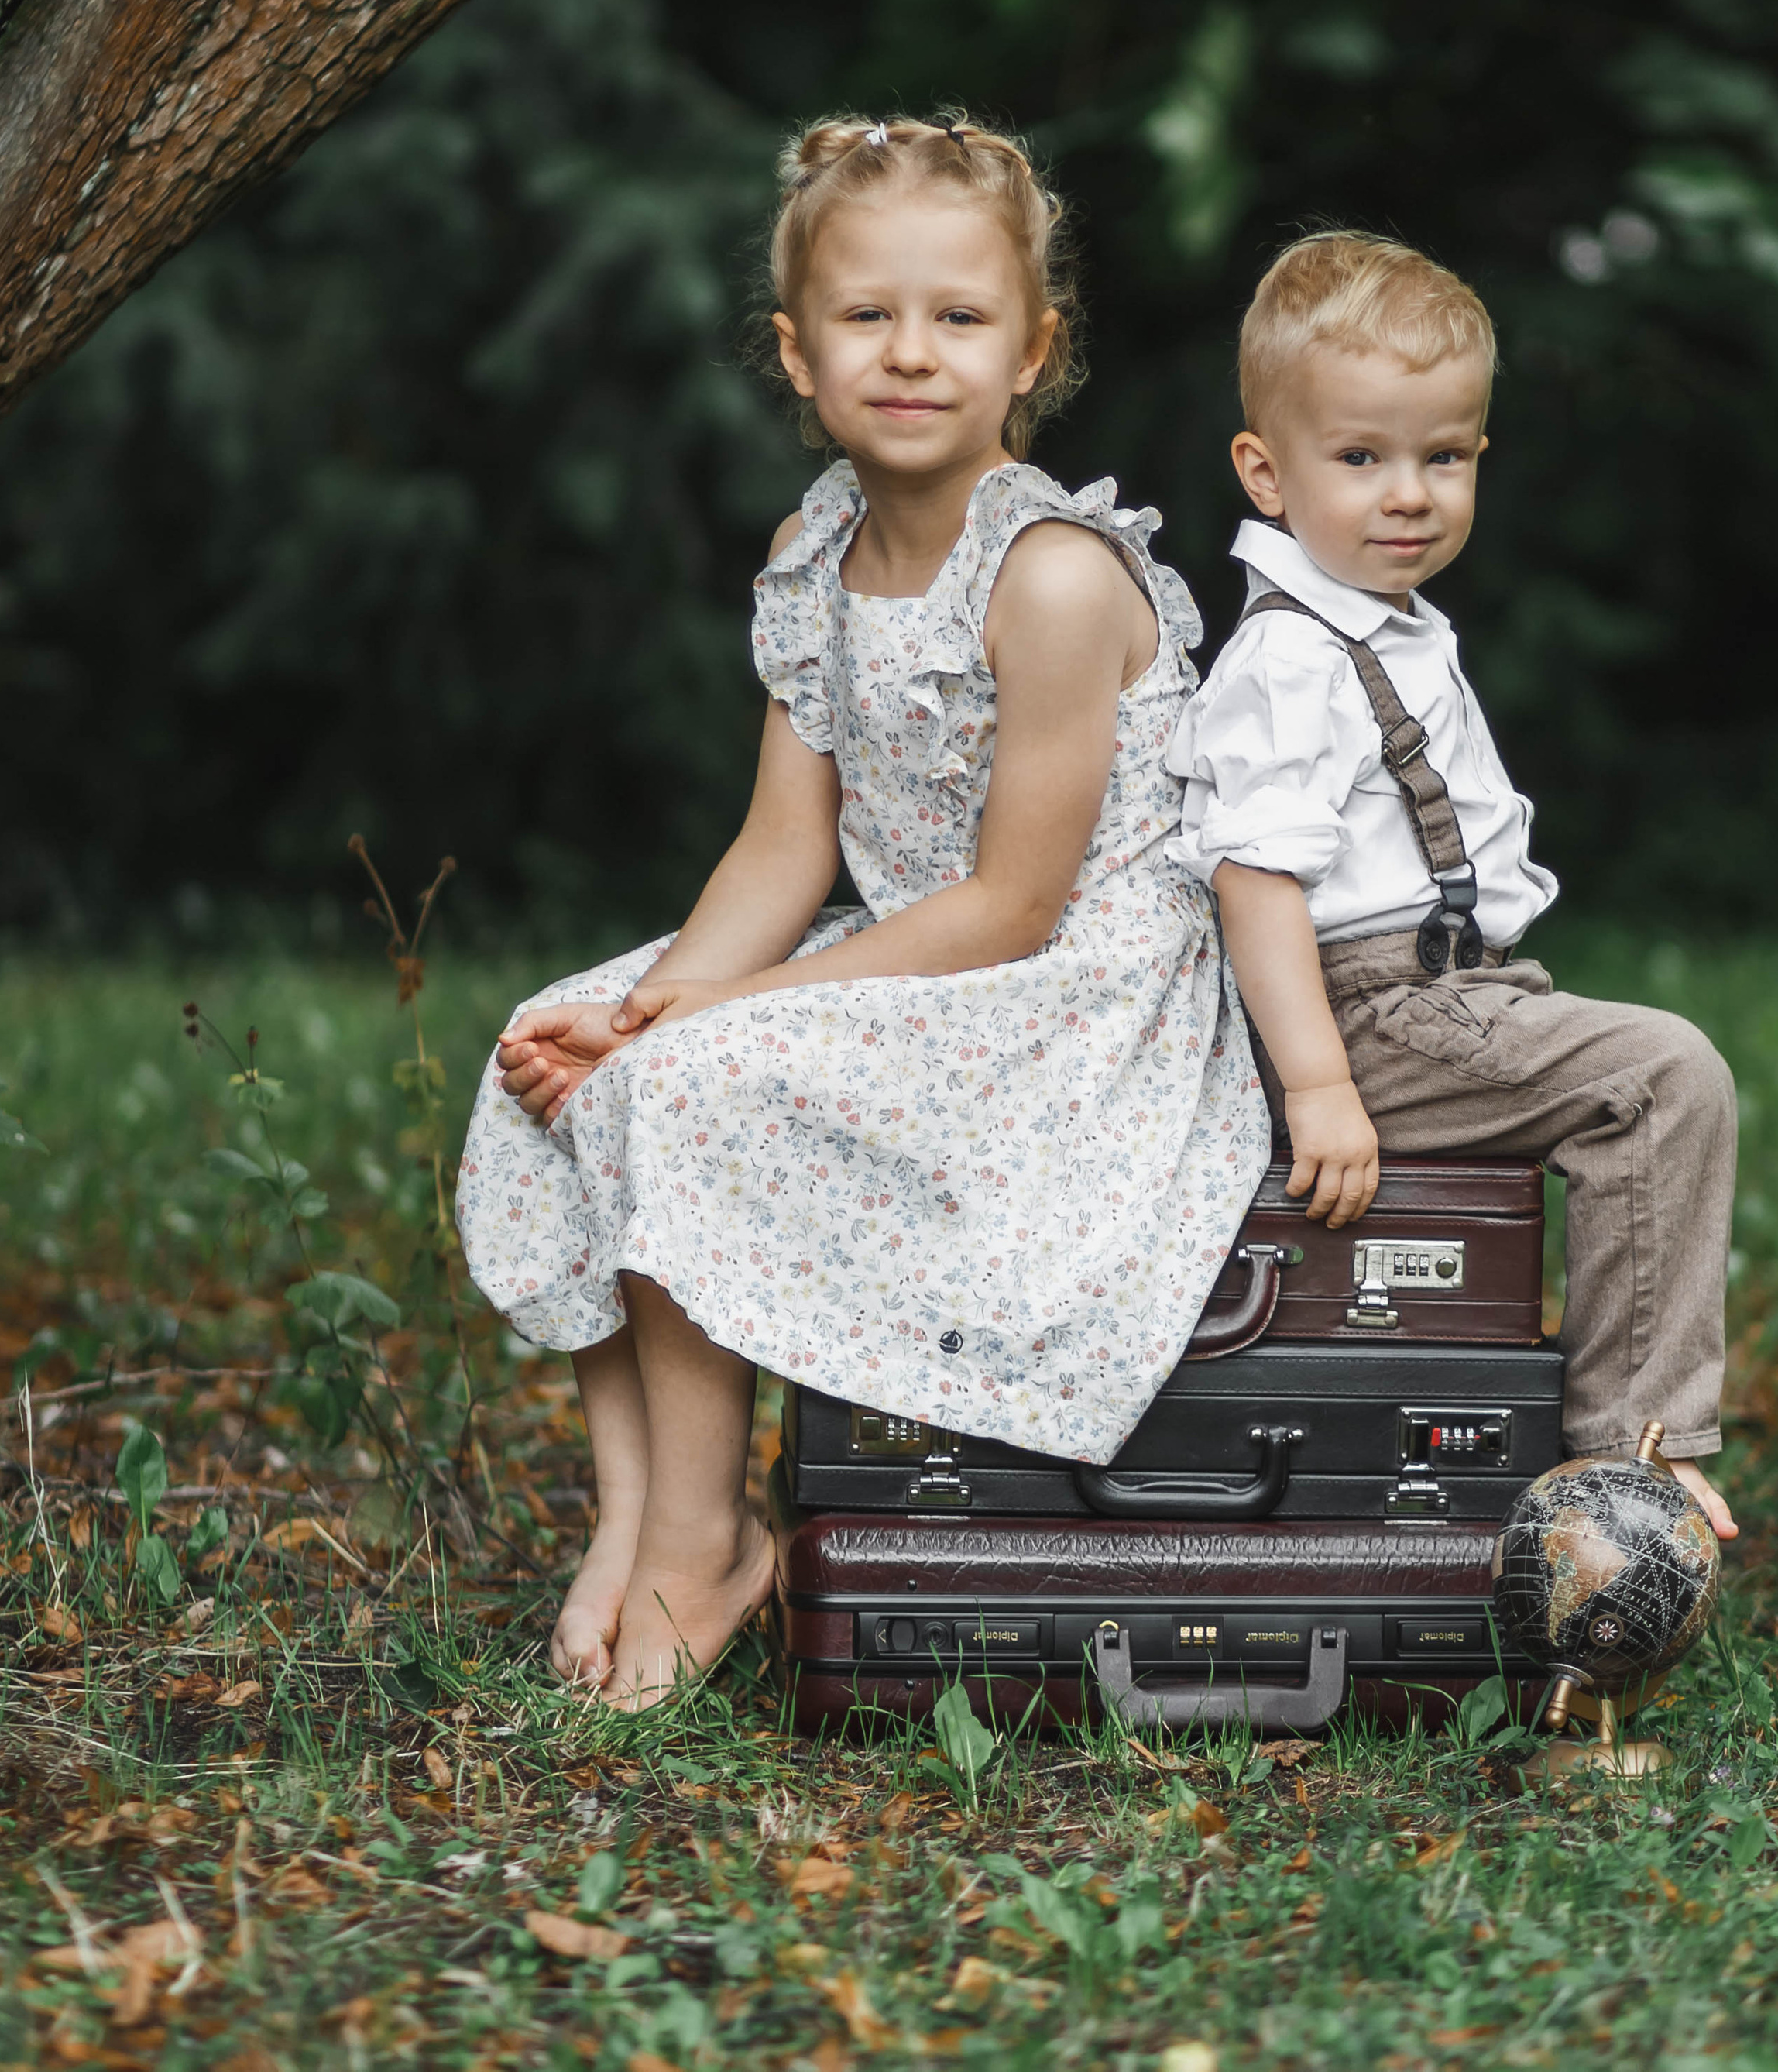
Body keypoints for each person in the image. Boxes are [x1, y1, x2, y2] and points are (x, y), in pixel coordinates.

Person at [457, 117, 1267, 1705]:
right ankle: (631, 1519)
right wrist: (646, 1004)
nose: (911, 354)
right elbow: (780, 849)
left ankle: (713, 1540)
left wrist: (707, 1024)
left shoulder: (1045, 574)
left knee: (686, 1086)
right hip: (915, 953)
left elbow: (1018, 906)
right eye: (865, 317)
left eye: (959, 319)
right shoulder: (814, 552)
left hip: (1069, 1003)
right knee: (557, 1048)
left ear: (1030, 350)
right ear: (796, 352)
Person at [1166, 230, 1739, 1539]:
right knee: (1663, 1080)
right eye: (1361, 459)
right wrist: (1317, 1086)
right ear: (1266, 473)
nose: (1409, 493)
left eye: (1446, 456)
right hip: (1364, 1014)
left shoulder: (1389, 624)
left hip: (1440, 995)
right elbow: (1255, 883)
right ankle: (1628, 1465)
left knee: (1630, 1076)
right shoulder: (1295, 658)